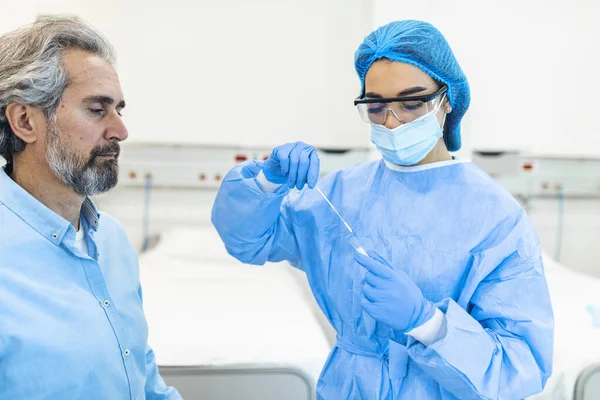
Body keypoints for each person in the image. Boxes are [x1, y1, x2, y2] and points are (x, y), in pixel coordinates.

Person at [212, 20, 554, 399]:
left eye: (411, 103)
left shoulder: (495, 218)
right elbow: (248, 241)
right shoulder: (340, 193)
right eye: (375, 106)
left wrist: (429, 324)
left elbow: (519, 367)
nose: (391, 122)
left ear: (448, 99)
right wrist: (267, 183)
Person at [0, 16, 181, 399]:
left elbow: (143, 380)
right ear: (24, 121)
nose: (120, 131)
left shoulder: (112, 241)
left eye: (119, 109)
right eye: (98, 109)